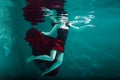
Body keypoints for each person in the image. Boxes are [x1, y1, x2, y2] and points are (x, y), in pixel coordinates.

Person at [26, 7, 94, 76]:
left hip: (62, 44)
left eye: (66, 16)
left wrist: (87, 25)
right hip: (57, 43)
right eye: (64, 16)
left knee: (59, 62)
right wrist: (41, 33)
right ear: (60, 17)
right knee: (51, 58)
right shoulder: (58, 24)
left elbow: (78, 29)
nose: (66, 18)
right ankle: (34, 57)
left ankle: (47, 71)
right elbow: (50, 33)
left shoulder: (68, 24)